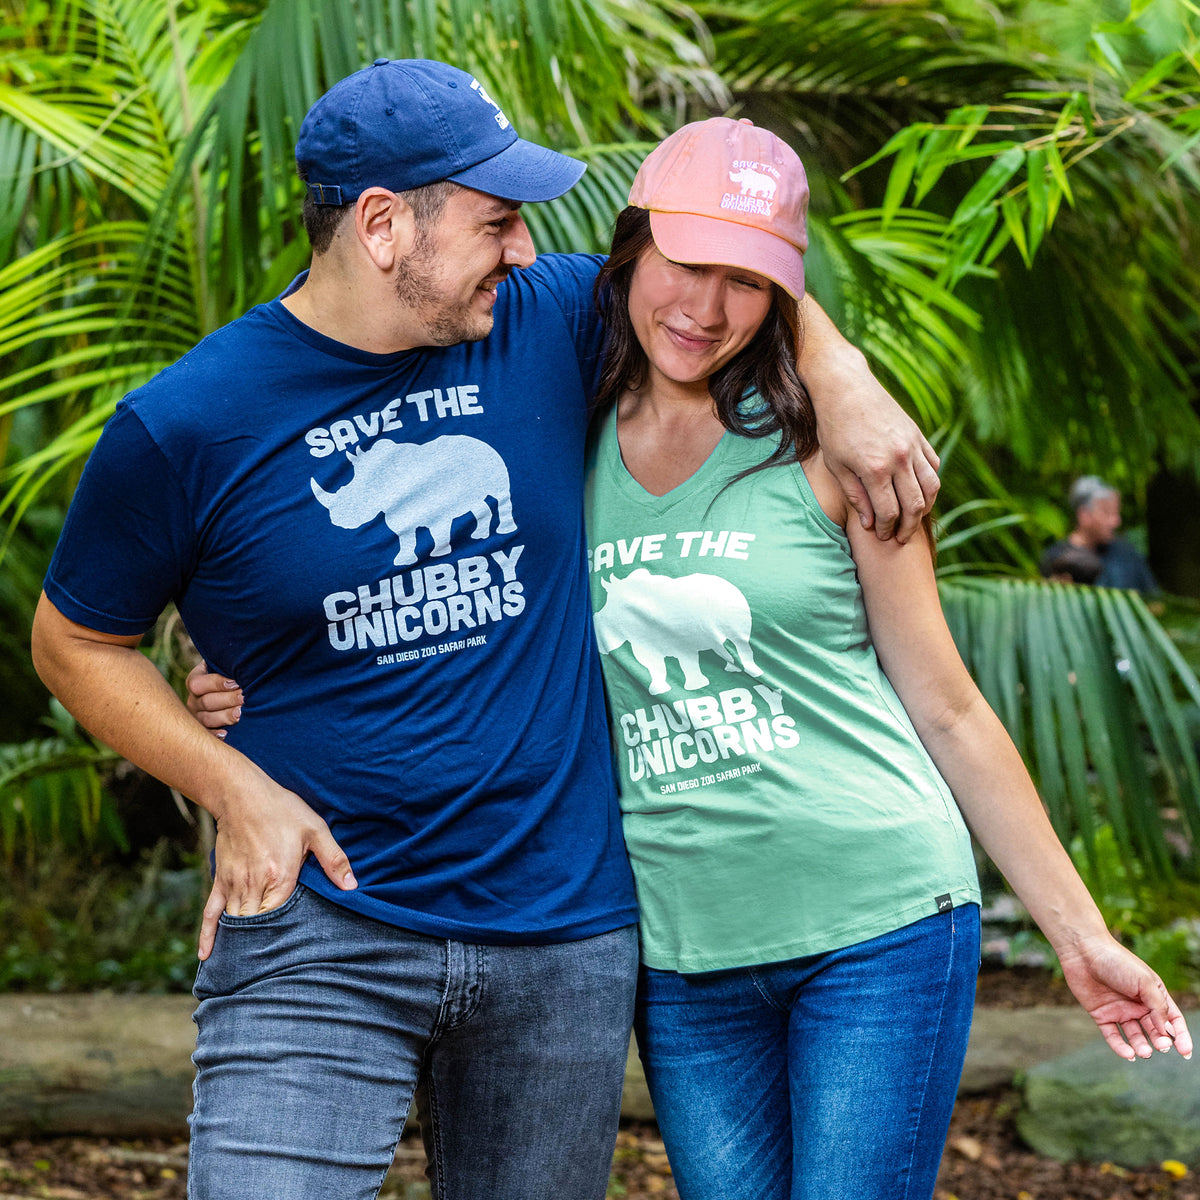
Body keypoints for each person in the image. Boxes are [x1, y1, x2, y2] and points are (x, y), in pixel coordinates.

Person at [186, 113, 1192, 1200]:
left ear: (786, 299)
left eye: (747, 283)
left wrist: (1081, 939)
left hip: (880, 923)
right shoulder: (558, 432)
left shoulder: (839, 451)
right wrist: (259, 689)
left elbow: (947, 708)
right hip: (682, 957)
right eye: (683, 264)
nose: (705, 310)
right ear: (630, 251)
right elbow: (424, 601)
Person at [30, 61, 943, 1200]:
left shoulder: (547, 318)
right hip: (321, 923)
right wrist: (229, 783)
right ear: (381, 227)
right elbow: (75, 641)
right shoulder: (187, 424)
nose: (522, 249)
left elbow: (717, 286)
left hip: (560, 935)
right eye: (495, 223)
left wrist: (845, 378)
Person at [1040, 474, 1159, 592]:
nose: (1116, 521)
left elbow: (1156, 603)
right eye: (1107, 513)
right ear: (1084, 515)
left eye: (1117, 512)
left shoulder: (1127, 555)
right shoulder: (1055, 558)